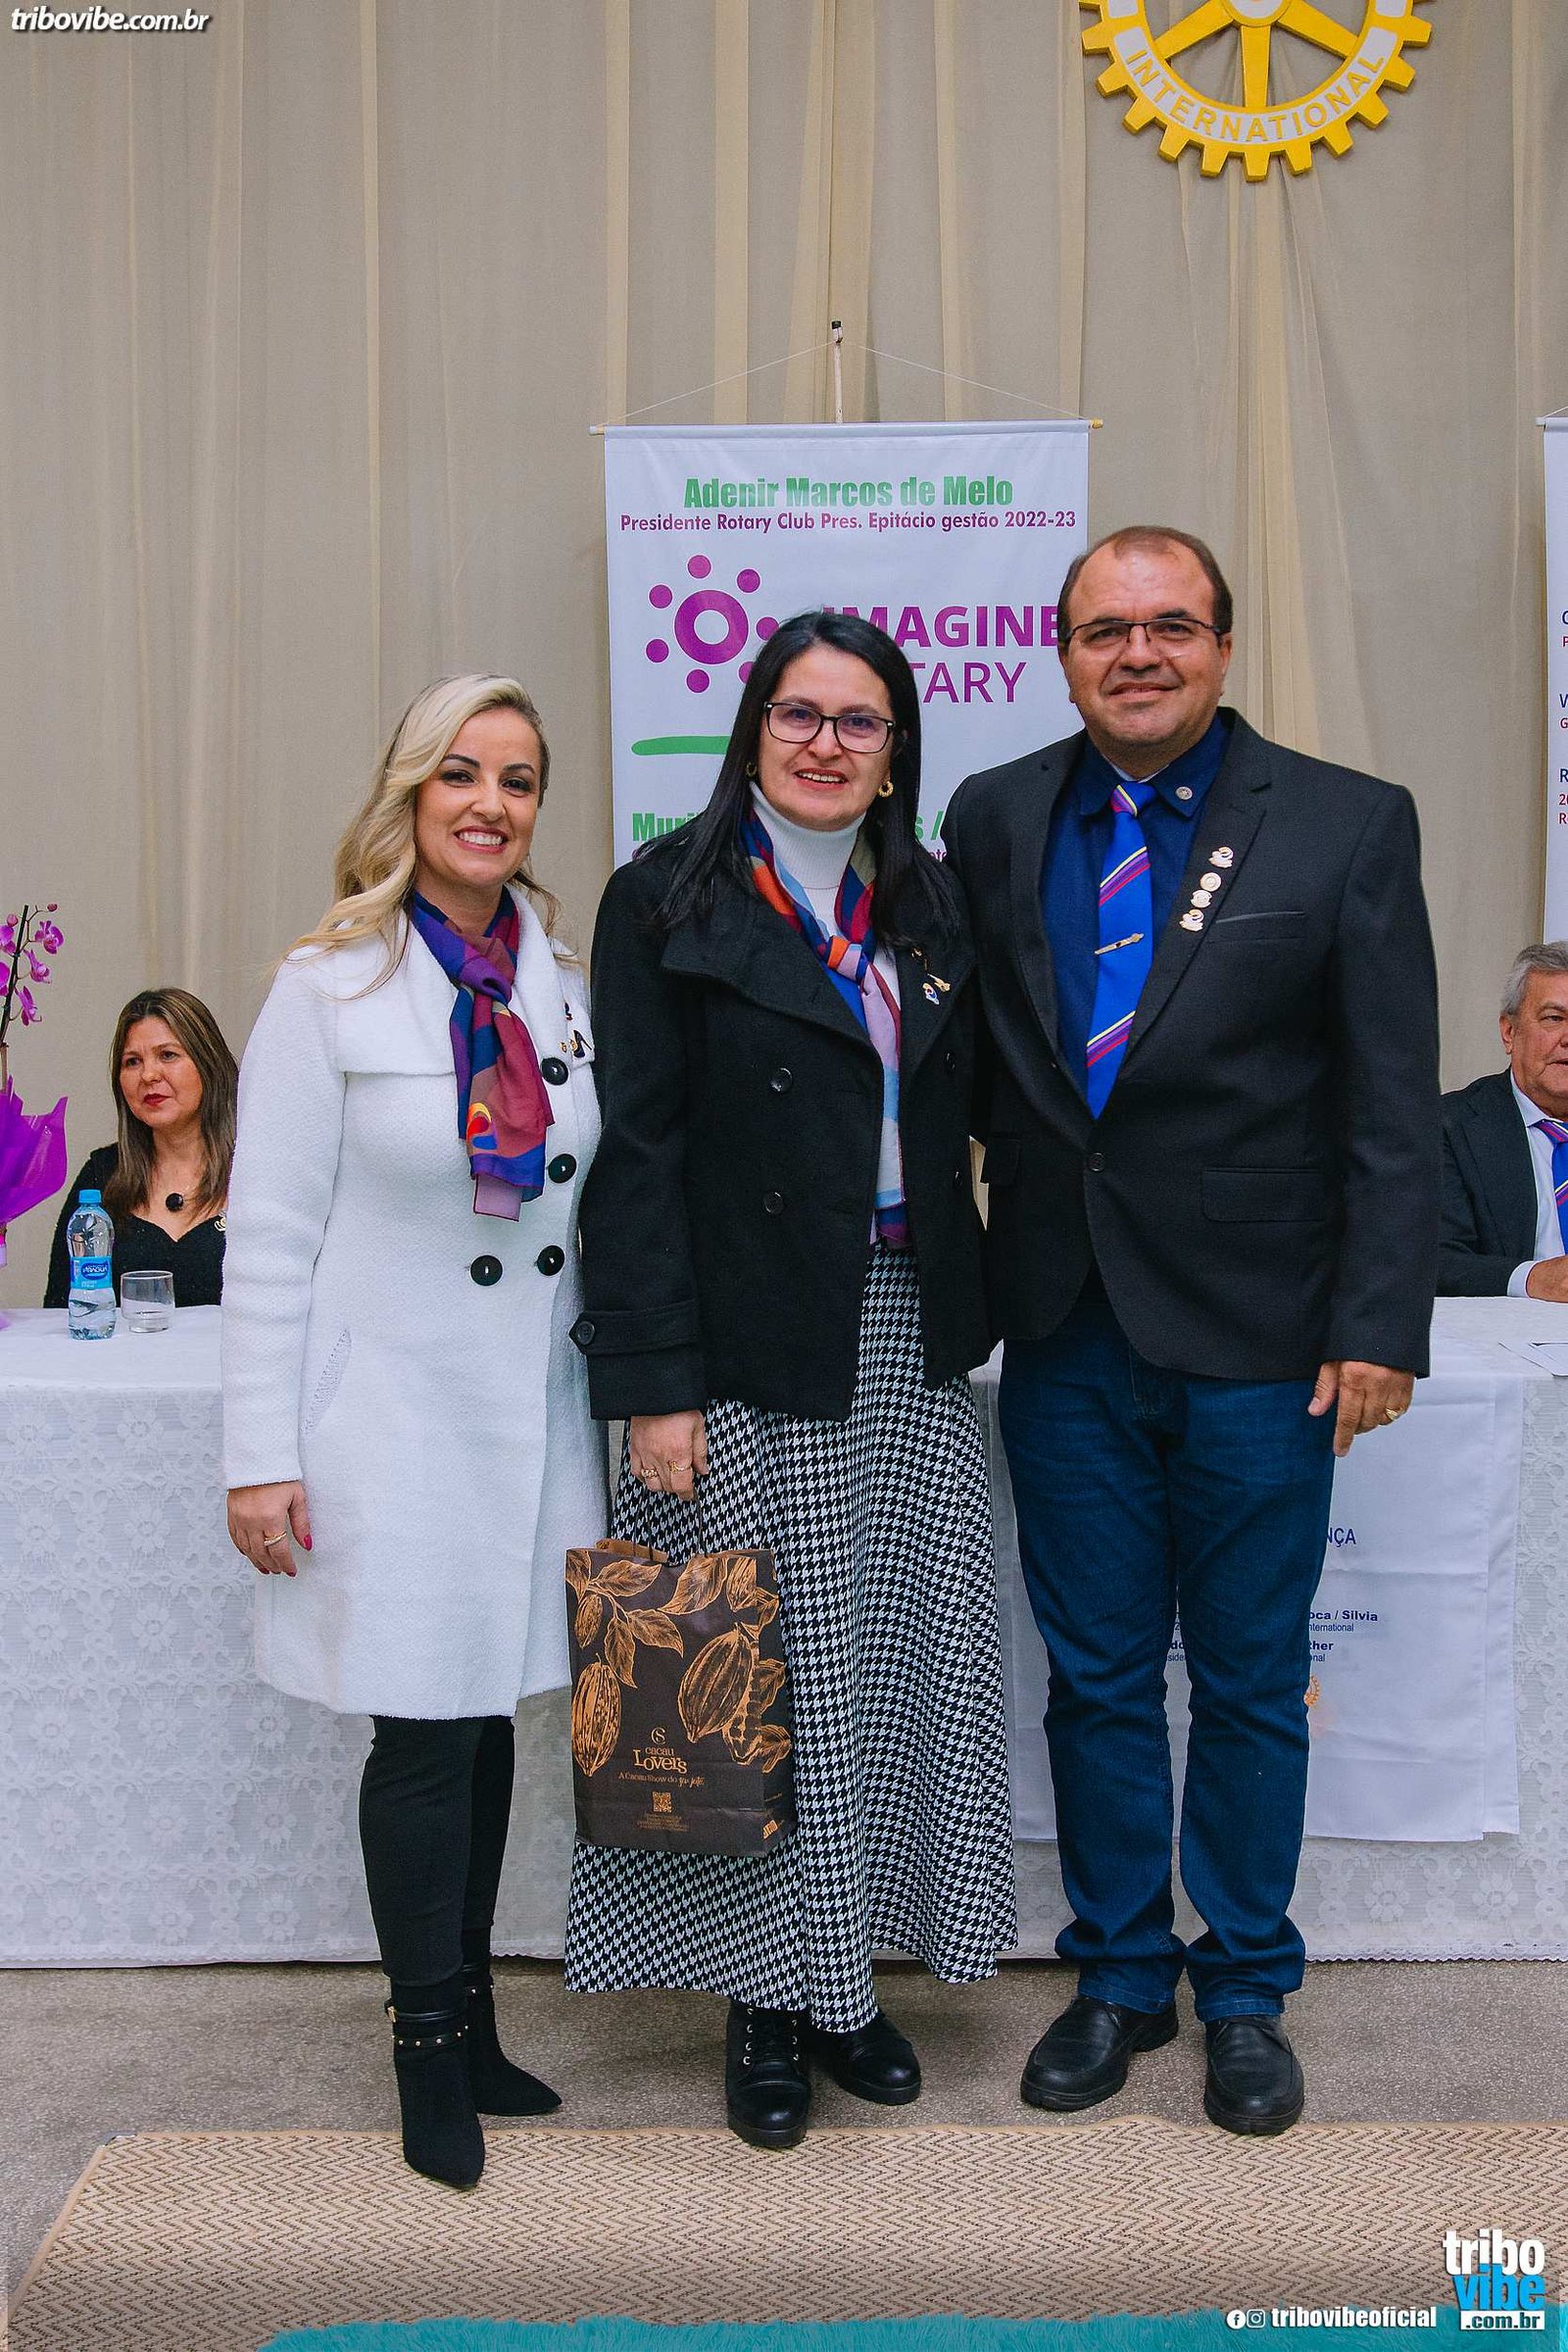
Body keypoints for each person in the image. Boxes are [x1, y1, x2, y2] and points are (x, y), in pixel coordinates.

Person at [943, 525, 1440, 2137]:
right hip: (1063, 1321)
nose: (1138, 654)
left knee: (1244, 1681)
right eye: (1107, 630)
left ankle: (1243, 1989)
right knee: (1093, 1678)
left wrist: (1381, 1320)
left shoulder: (1348, 821)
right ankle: (1115, 1973)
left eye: (1171, 626)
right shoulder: (994, 813)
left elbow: (1390, 1103)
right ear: (1063, 652)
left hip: (1267, 1336)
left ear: (1223, 646)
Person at [565, 610, 1015, 2151]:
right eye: (800, 714)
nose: (828, 744)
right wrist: (657, 1381)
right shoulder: (665, 899)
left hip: (906, 1324)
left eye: (860, 721)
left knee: (893, 1663)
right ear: (754, 728)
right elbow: (638, 1158)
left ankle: (851, 1983)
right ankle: (764, 2002)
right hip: (742, 1342)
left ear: (897, 752)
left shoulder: (933, 905)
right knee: (753, 1678)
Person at [221, 672, 606, 2190]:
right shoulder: (328, 987)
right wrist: (260, 1456)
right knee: (424, 1733)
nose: (490, 805)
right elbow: (268, 1235)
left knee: (490, 1713)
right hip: (388, 1423)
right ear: (409, 793)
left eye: (518, 780)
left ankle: (479, 2018)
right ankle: (426, 2048)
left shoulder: (559, 980)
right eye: (461, 774)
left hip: (532, 1415)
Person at [44, 988, 237, 1309]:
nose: (148, 1075)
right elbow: (62, 1310)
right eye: (132, 1062)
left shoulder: (254, 1170)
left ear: (209, 1064)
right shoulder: (102, 1176)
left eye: (168, 1055)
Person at [1439, 943, 1568, 1298]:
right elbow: (1436, 1259)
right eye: (1554, 1018)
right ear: (1509, 1032)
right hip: (1513, 1326)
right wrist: (1533, 1278)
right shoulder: (1451, 1127)